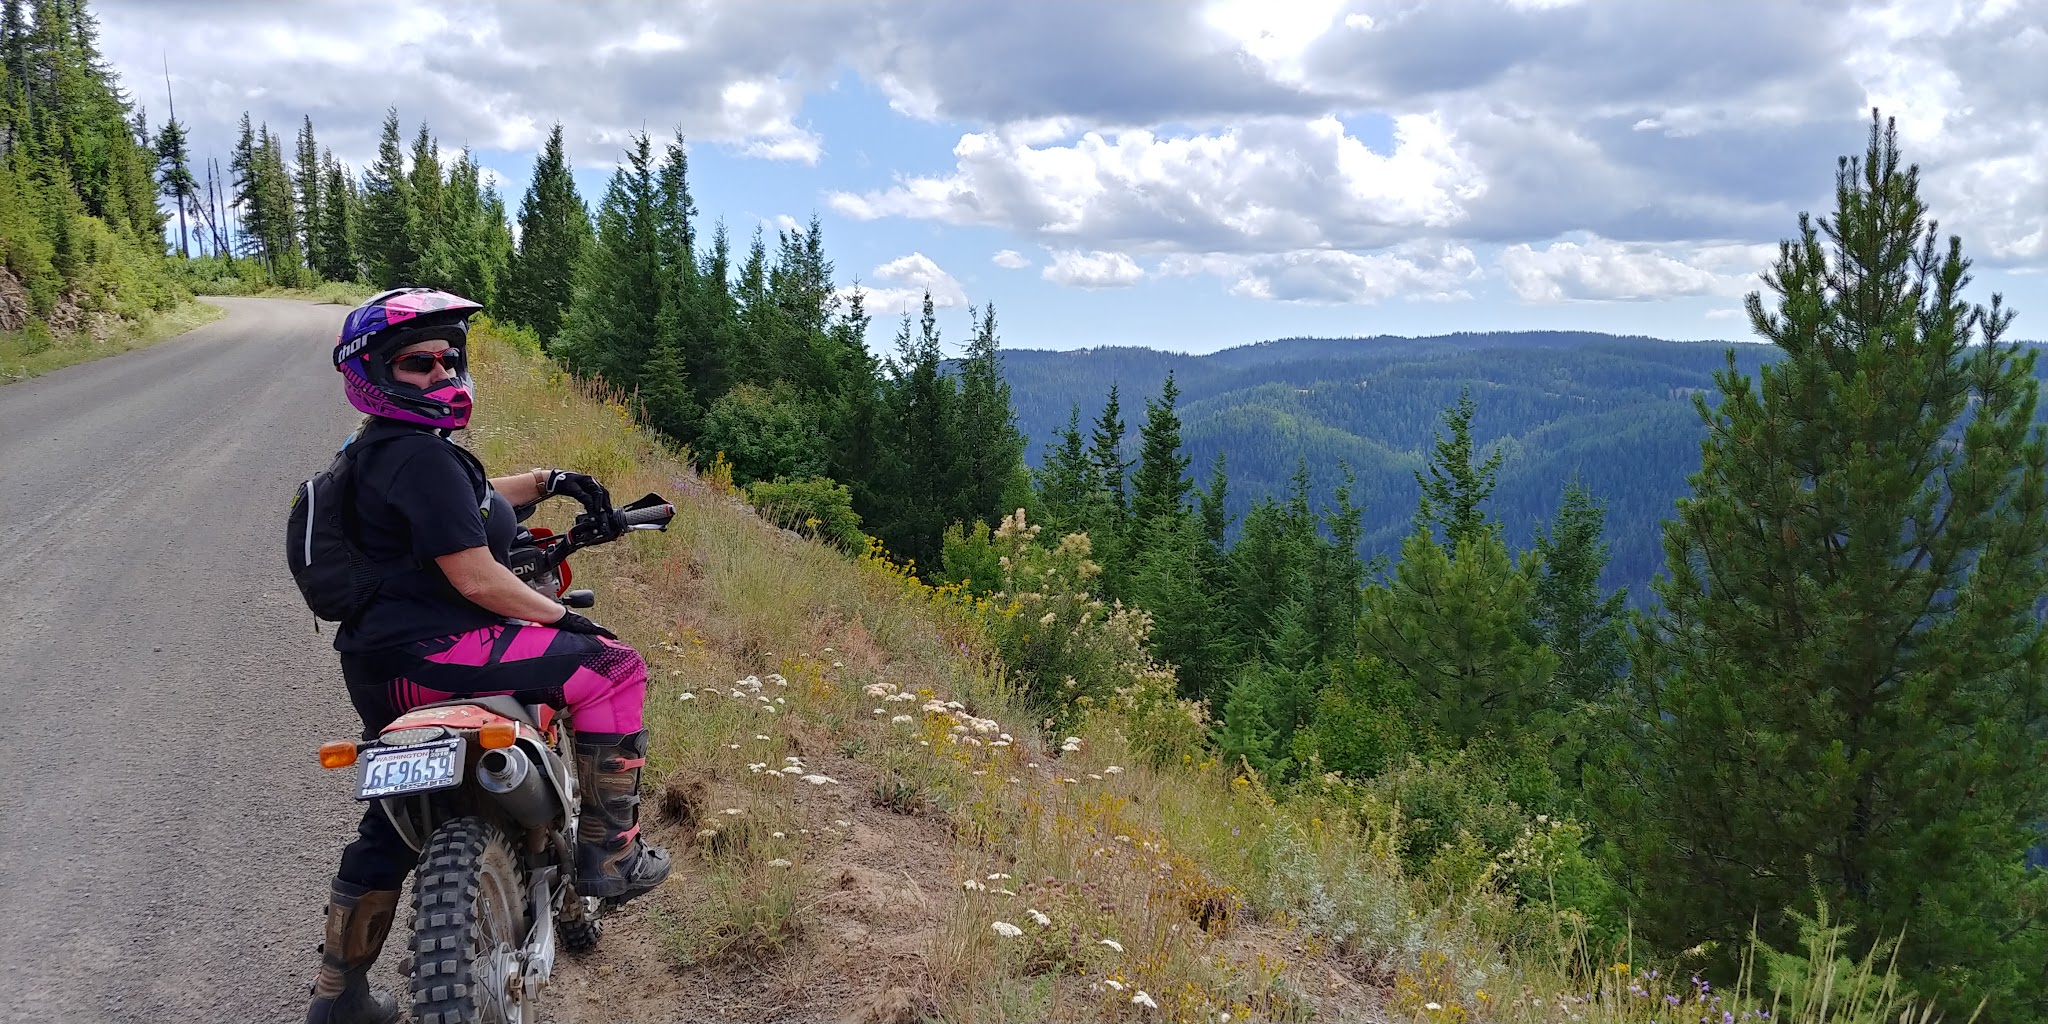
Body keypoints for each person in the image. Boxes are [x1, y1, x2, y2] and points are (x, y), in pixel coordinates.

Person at [303, 287, 670, 1024]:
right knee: (614, 667)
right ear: (374, 370)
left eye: (448, 358)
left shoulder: (369, 456)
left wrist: (547, 482)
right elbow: (476, 574)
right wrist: (568, 622)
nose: (441, 373)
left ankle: (337, 997)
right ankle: (611, 852)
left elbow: (466, 503)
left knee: (388, 821)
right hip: (446, 653)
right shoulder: (422, 460)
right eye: (417, 363)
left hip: (380, 675)